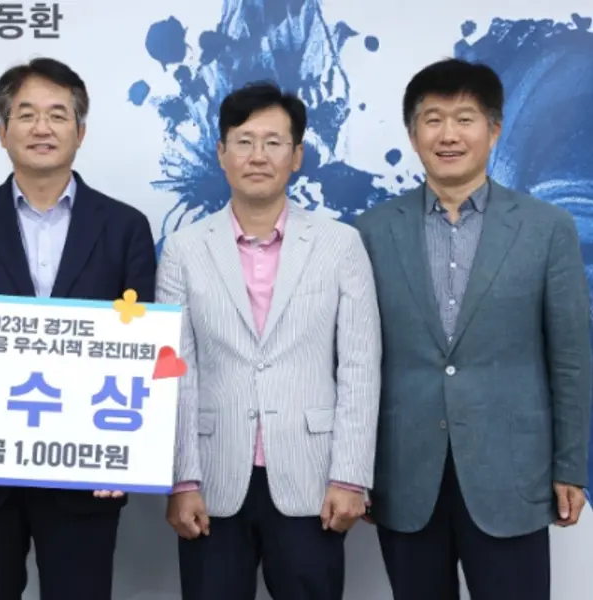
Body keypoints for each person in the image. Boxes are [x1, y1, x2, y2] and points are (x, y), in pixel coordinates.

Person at [0, 57, 157, 600]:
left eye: (57, 114)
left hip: (87, 472)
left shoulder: (125, 227)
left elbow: (140, 348)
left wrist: (127, 452)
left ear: (81, 131)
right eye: (26, 115)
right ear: (3, 131)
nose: (41, 128)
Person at [355, 58, 592, 600]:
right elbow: (355, 362)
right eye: (433, 119)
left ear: (494, 129)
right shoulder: (370, 232)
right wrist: (355, 470)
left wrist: (570, 466)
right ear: (413, 134)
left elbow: (571, 360)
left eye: (465, 119)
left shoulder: (546, 229)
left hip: (513, 474)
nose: (449, 135)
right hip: (404, 474)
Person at [156, 81, 382, 600]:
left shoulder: (340, 245)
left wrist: (351, 476)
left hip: (312, 477)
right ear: (222, 153)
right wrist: (183, 480)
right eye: (244, 141)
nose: (258, 156)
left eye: (274, 142)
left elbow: (360, 365)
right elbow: (176, 370)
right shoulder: (183, 250)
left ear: (297, 155)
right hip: (212, 479)